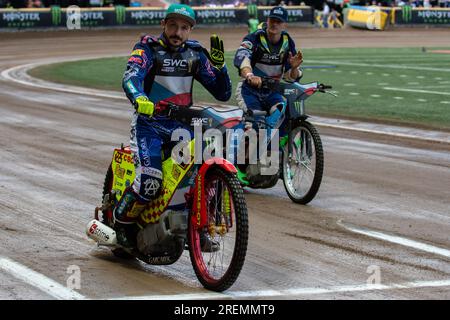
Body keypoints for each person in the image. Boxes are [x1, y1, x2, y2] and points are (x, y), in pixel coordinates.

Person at [117, 3, 232, 250]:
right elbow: (131, 77)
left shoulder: (196, 54)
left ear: (190, 31)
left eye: (183, 28)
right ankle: (123, 224)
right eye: (172, 26)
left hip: (184, 127)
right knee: (150, 181)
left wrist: (221, 69)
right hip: (150, 125)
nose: (177, 32)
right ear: (163, 25)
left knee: (202, 173)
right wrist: (139, 98)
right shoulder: (147, 48)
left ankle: (200, 228)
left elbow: (223, 93)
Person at [234, 6, 303, 138]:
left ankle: (273, 149)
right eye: (272, 20)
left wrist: (294, 68)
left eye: (279, 21)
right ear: (267, 20)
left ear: (284, 25)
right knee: (256, 127)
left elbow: (290, 77)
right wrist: (250, 75)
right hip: (249, 91)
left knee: (283, 112)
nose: (275, 24)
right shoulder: (254, 38)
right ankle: (250, 155)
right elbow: (242, 57)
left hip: (272, 92)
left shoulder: (288, 42)